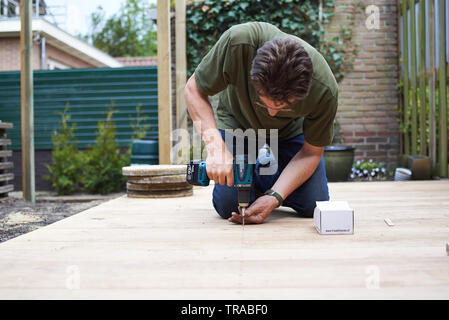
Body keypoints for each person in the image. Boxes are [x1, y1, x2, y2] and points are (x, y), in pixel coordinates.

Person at [184, 22, 338, 224]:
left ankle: (262, 176)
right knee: (228, 206)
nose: (272, 114)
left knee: (313, 204)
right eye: (262, 103)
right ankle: (255, 174)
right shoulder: (238, 43)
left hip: (290, 131)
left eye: (283, 107)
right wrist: (216, 150)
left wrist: (274, 197)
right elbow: (193, 89)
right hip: (238, 121)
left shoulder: (324, 90)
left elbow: (311, 153)